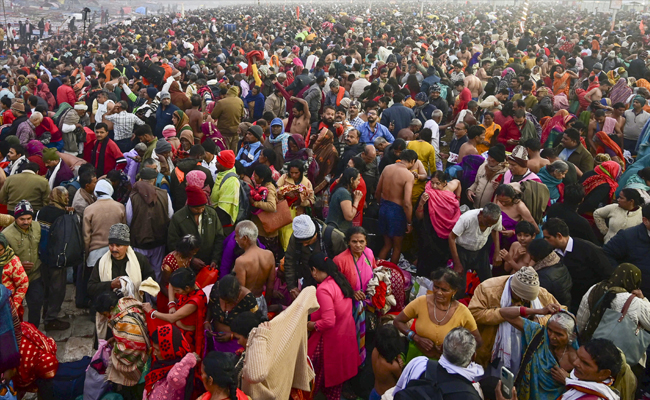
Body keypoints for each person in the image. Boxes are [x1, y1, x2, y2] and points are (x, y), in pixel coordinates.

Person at [468, 266, 559, 375]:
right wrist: (504, 313)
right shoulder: (488, 289)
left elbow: (561, 313)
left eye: (527, 299)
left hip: (525, 349)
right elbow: (474, 313)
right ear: (512, 288)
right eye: (520, 297)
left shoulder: (541, 293)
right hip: (492, 349)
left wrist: (539, 321)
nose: (523, 300)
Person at [394, 269, 481, 362]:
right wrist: (415, 337)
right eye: (436, 287)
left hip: (446, 364)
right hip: (416, 358)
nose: (439, 292)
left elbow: (478, 341)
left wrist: (452, 348)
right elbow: (397, 321)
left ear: (454, 291)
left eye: (444, 290)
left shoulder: (462, 312)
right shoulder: (421, 302)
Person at [87, 223, 155, 339]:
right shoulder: (101, 262)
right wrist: (110, 285)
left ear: (127, 245)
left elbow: (150, 280)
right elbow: (90, 287)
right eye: (111, 245)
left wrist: (141, 286)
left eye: (118, 245)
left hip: (132, 316)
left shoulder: (139, 260)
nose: (114, 249)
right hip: (109, 317)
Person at [498, 304, 578, 400]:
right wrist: (539, 311)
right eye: (550, 330)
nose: (552, 336)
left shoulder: (575, 358)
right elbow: (504, 312)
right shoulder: (538, 334)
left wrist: (568, 380)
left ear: (571, 336)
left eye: (559, 334)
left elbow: (587, 388)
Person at [307, 252, 358, 400]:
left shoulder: (323, 289)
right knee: (335, 384)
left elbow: (329, 321)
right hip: (345, 337)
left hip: (331, 341)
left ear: (315, 270)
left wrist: (311, 325)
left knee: (313, 376)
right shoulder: (339, 280)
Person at [543, 218, 614, 313]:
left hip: (588, 302)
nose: (545, 241)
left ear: (559, 236)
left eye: (548, 238)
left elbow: (607, 273)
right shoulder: (551, 253)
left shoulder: (588, 250)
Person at [393, 327, 484, 400]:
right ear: (473, 357)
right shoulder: (470, 395)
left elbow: (398, 392)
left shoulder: (419, 364)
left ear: (441, 348)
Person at [577, 263, 650, 348]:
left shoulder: (595, 289)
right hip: (617, 352)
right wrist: (643, 299)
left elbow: (581, 319)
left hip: (590, 345)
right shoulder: (634, 301)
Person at [333, 226, 377, 365]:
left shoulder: (369, 254)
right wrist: (351, 293)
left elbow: (375, 272)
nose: (358, 245)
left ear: (366, 242)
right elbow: (335, 286)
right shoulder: (340, 260)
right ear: (348, 243)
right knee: (351, 338)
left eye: (361, 241)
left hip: (368, 303)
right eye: (354, 242)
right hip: (349, 307)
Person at [95, 291, 150, 399]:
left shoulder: (124, 322)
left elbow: (134, 345)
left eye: (105, 314)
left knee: (134, 393)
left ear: (111, 308)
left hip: (142, 360)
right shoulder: (126, 303)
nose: (106, 317)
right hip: (147, 349)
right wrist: (117, 339)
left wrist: (116, 349)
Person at [144, 268, 207, 356]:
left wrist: (151, 311)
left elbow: (172, 318)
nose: (175, 292)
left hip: (186, 337)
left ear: (187, 288)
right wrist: (171, 304)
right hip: (178, 328)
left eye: (177, 291)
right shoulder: (192, 285)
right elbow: (171, 285)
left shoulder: (195, 301)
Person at [34, 187, 73, 331]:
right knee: (57, 289)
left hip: (42, 255)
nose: (67, 199)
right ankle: (51, 319)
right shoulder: (61, 214)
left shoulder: (42, 211)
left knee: (46, 286)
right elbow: (63, 238)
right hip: (56, 257)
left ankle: (46, 312)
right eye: (65, 197)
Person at [126, 167, 173, 280]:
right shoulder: (164, 194)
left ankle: (143, 296)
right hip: (159, 241)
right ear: (155, 179)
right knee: (157, 271)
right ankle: (154, 296)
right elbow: (170, 215)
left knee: (140, 271)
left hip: (139, 242)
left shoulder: (133, 198)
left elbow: (128, 219)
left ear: (141, 179)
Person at [284, 215, 347, 298]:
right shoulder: (296, 238)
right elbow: (289, 260)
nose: (304, 245)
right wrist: (292, 286)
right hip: (308, 282)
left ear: (315, 235)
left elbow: (346, 264)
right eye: (302, 242)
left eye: (308, 242)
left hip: (332, 286)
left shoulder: (335, 237)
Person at [2, 200, 43, 327]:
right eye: (22, 219)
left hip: (35, 275)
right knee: (14, 309)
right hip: (15, 279)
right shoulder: (6, 234)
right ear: (15, 218)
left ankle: (33, 332)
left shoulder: (37, 227)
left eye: (29, 218)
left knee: (36, 305)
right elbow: (3, 258)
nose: (26, 222)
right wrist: (18, 264)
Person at [168, 185, 224, 272]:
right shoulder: (178, 218)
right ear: (190, 206)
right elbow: (173, 242)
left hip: (209, 264)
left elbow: (219, 237)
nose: (201, 210)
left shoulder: (212, 214)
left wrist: (215, 259)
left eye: (203, 207)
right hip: (186, 266)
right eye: (197, 208)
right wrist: (191, 259)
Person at [375, 148, 418, 263]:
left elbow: (377, 192)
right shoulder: (408, 176)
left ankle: (377, 271)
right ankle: (390, 274)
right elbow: (407, 203)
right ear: (413, 161)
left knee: (387, 244)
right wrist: (409, 222)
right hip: (396, 212)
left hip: (384, 207)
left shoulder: (387, 168)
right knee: (397, 247)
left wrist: (381, 205)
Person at [415, 171, 461, 275]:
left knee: (441, 264)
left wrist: (458, 198)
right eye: (432, 183)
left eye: (438, 183)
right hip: (429, 234)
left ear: (445, 183)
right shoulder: (427, 194)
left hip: (445, 236)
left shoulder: (449, 190)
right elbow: (419, 216)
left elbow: (458, 182)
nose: (434, 186)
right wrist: (421, 204)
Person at [449, 202, 503, 282]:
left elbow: (495, 231)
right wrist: (457, 263)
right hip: (462, 252)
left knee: (487, 281)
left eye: (492, 224)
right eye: (487, 223)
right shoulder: (467, 218)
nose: (489, 226)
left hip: (480, 250)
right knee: (460, 284)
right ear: (481, 214)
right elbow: (451, 237)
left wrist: (497, 252)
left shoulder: (496, 218)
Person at [603, 205, 650, 296]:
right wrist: (624, 282)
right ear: (645, 221)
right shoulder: (628, 237)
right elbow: (606, 255)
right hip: (633, 296)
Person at [205, 274, 259, 353]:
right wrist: (207, 321)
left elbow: (254, 326)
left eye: (229, 301)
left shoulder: (248, 299)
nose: (224, 303)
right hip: (216, 337)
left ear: (237, 296)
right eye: (222, 300)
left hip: (237, 342)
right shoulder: (217, 289)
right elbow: (210, 306)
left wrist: (233, 335)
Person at [143, 324, 199, 400]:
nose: (154, 353)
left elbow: (173, 377)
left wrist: (190, 359)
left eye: (157, 350)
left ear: (169, 351)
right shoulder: (162, 365)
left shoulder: (181, 370)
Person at [232, 220, 276, 317]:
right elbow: (270, 286)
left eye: (236, 236)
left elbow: (241, 292)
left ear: (245, 238)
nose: (235, 239)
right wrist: (266, 303)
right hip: (261, 300)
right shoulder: (269, 255)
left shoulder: (241, 261)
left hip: (247, 305)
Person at [555, 339, 623, 400]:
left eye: (585, 363)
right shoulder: (581, 383)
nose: (575, 363)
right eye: (577, 356)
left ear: (604, 373)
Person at [250, 164, 282, 261]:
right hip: (262, 228)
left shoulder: (269, 188)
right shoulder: (264, 185)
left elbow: (272, 206)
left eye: (256, 176)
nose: (254, 178)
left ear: (262, 178)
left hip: (266, 231)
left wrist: (255, 203)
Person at [527, 239, 573, 306]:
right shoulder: (558, 260)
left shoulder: (543, 277)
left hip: (553, 310)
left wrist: (529, 269)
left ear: (535, 256)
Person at [370, 324, 404, 400]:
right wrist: (400, 366)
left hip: (374, 392)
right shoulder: (393, 366)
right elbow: (401, 382)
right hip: (386, 397)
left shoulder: (375, 351)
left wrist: (397, 356)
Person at [326, 167, 363, 233]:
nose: (359, 182)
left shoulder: (340, 189)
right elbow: (349, 216)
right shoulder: (344, 193)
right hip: (337, 232)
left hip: (333, 229)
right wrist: (356, 200)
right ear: (352, 179)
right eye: (358, 180)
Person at [0, 232, 28, 319]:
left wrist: (13, 306)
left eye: (0, 250)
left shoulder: (12, 261)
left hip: (7, 307)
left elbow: (23, 283)